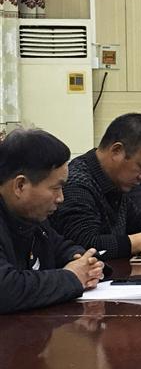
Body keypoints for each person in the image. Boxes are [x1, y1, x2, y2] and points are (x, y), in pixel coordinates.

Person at [50, 113, 141, 260]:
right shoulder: (77, 184)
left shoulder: (115, 181)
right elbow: (88, 245)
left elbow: (140, 222)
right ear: (117, 151)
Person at [0, 129, 105, 313]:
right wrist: (73, 277)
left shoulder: (32, 218)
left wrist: (85, 262)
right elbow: (6, 290)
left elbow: (60, 247)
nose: (61, 198)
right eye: (56, 188)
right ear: (20, 186)